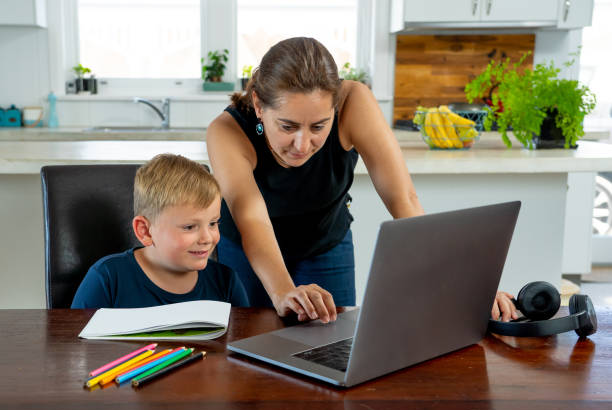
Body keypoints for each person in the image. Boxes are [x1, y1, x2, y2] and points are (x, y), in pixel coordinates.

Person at [207, 37, 518, 324]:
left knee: (332, 346)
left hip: (326, 241)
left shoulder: (355, 102)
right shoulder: (227, 132)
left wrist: (463, 284)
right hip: (249, 248)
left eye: (318, 126)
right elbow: (252, 219)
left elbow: (404, 201)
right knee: (252, 350)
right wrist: (283, 292)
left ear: (336, 108)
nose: (302, 144)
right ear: (260, 105)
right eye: (287, 126)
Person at [71, 153, 248, 309]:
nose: (207, 238)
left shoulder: (226, 282)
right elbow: (75, 345)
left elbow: (241, 341)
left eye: (213, 223)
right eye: (189, 227)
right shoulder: (107, 279)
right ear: (145, 231)